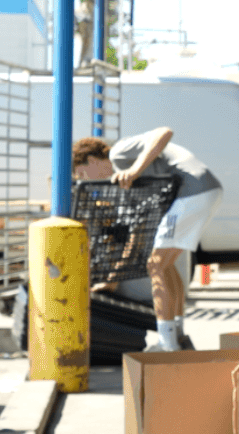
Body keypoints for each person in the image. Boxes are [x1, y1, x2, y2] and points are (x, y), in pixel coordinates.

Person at [72, 128, 222, 352]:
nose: (86, 181)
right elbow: (137, 230)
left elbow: (164, 132)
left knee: (156, 265)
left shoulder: (118, 154)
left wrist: (134, 170)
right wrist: (113, 280)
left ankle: (167, 344)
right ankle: (177, 334)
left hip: (193, 191)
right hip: (204, 190)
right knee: (165, 265)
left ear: (91, 160)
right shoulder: (132, 181)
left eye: (82, 174)